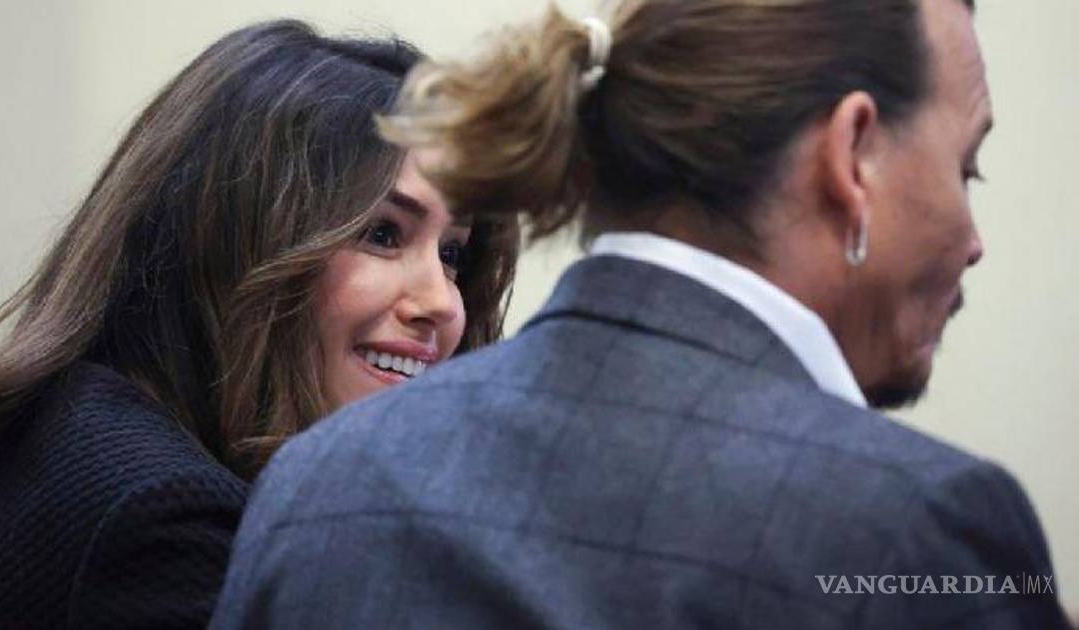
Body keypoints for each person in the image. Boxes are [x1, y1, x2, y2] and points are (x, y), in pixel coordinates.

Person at [211, 1, 1070, 628]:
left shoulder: (314, 483)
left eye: (454, 254)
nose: (974, 241)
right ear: (852, 152)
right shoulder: (919, 530)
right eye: (967, 168)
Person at [0, 20, 516, 630]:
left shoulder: (77, 415)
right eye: (382, 234)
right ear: (234, 244)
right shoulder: (166, 522)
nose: (442, 302)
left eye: (452, 253)